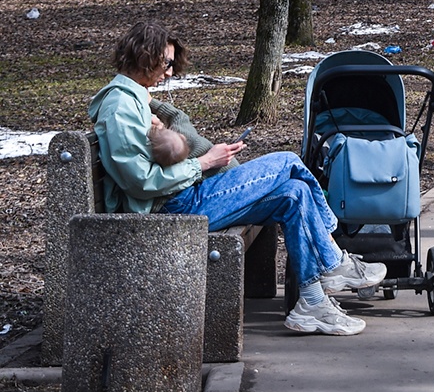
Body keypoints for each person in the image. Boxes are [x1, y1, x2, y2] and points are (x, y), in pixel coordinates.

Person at [89, 21, 386, 336]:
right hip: (171, 208)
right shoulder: (120, 106)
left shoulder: (134, 99)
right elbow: (141, 181)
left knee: (294, 193)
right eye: (167, 63)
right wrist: (205, 162)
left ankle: (312, 303)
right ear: (144, 56)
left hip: (181, 196)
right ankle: (334, 259)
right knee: (288, 161)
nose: (171, 72)